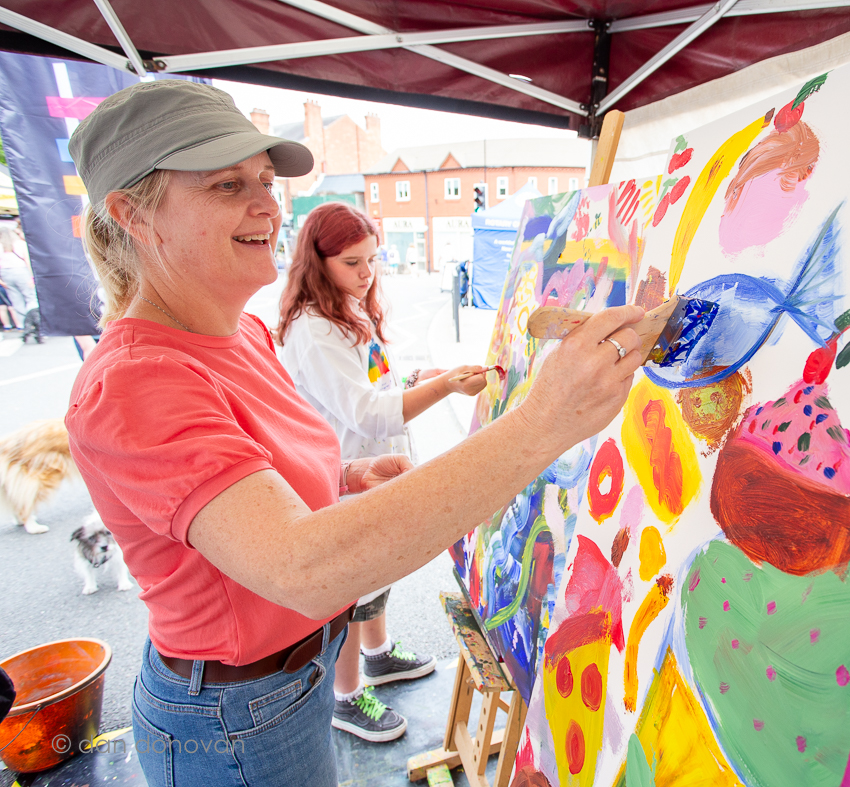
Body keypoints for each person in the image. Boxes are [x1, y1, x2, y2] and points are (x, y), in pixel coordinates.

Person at [63, 79, 643, 787]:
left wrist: (340, 481)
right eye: (224, 185)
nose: (267, 205)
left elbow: (246, 488)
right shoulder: (134, 380)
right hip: (234, 713)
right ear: (131, 214)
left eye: (265, 180)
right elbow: (301, 569)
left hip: (288, 681)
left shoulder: (240, 332)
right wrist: (543, 421)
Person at [275, 201, 489, 741]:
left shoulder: (349, 306)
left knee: (375, 576)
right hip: (344, 479)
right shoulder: (314, 328)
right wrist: (441, 390)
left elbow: (376, 382)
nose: (367, 273)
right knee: (351, 589)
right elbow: (365, 411)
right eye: (352, 262)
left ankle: (378, 654)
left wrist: (421, 375)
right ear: (316, 262)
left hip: (373, 469)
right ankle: (345, 699)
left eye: (373, 259)